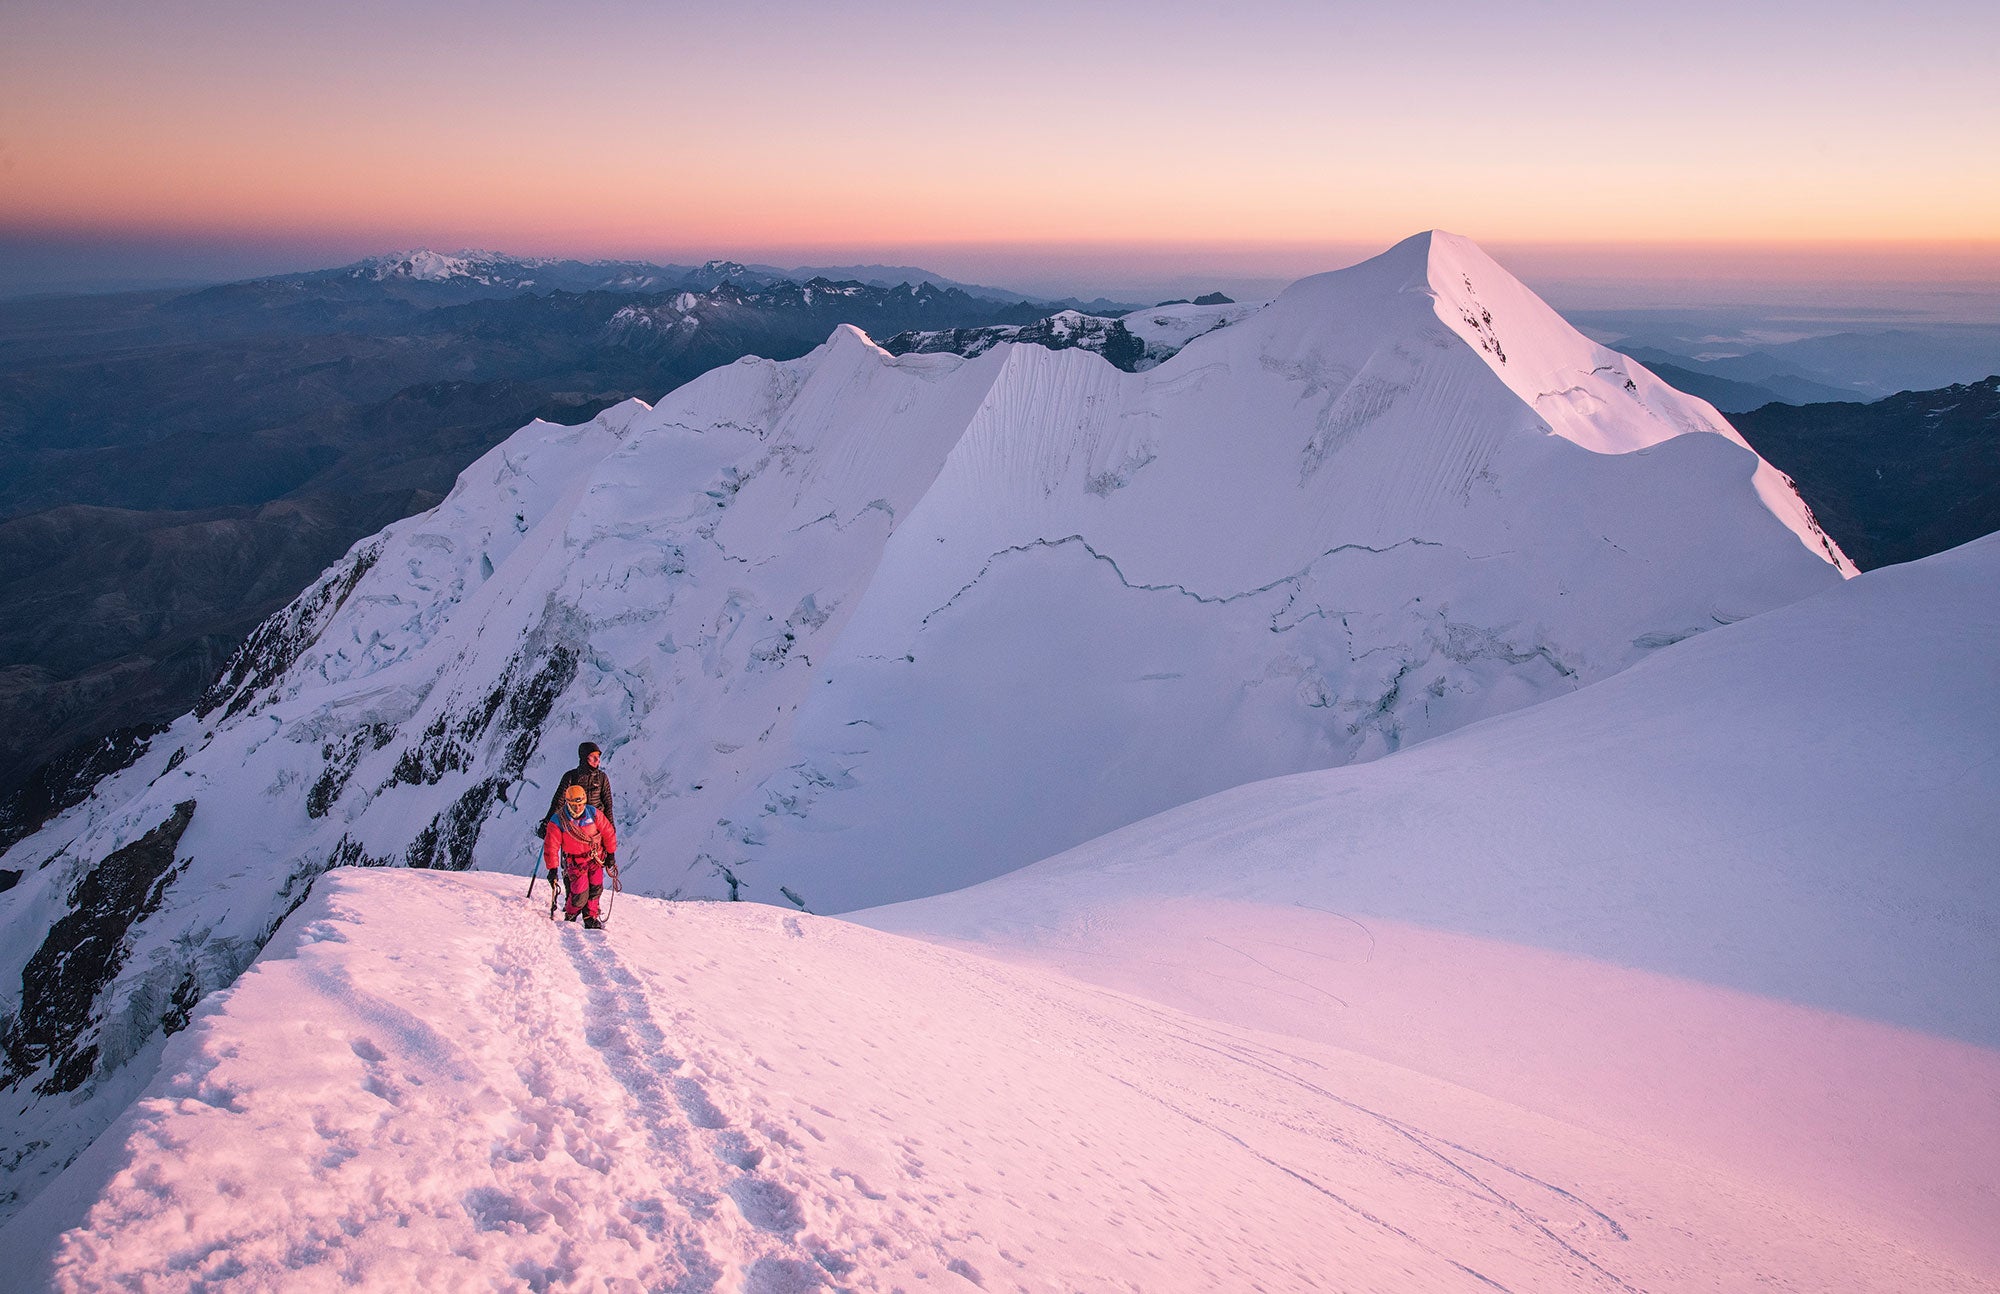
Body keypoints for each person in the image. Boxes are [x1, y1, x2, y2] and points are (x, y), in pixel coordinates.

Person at [544, 783, 617, 928]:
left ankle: (590, 916)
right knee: (580, 892)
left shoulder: (593, 813)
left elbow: (608, 833)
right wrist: (552, 869)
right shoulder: (558, 820)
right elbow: (551, 845)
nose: (577, 808)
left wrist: (610, 854)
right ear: (568, 803)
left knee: (596, 888)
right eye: (574, 805)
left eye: (580, 805)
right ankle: (571, 913)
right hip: (576, 862)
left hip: (595, 858)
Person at [541, 742, 616, 870]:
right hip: (574, 829)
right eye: (593, 757)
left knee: (594, 870)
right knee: (574, 869)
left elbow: (608, 805)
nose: (597, 760)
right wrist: (548, 821)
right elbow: (559, 801)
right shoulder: (571, 777)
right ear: (584, 758)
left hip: (593, 829)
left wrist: (610, 832)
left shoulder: (601, 778)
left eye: (598, 757)